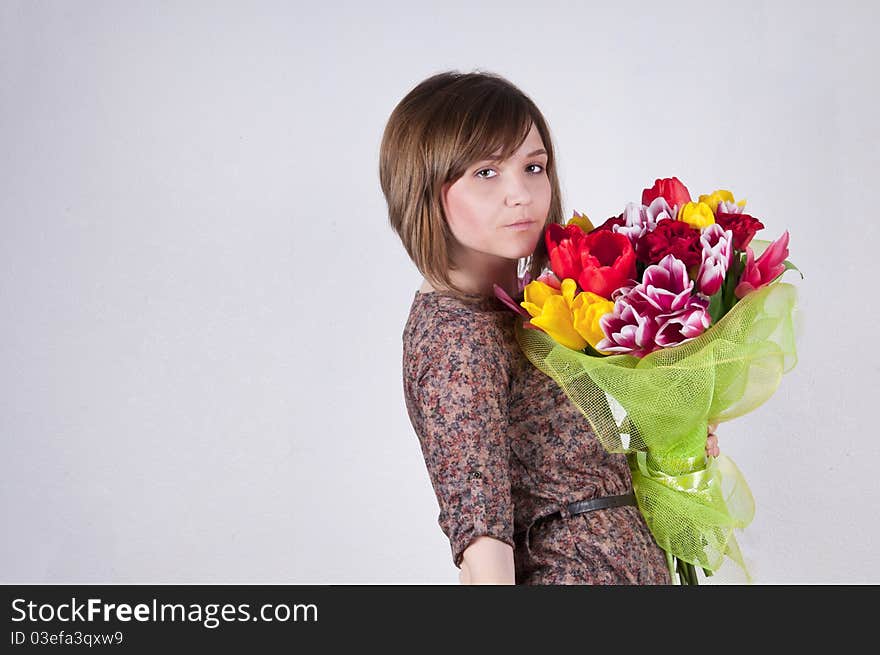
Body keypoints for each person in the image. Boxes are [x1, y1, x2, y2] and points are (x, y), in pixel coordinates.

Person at [379, 70, 720, 585]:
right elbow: (481, 537)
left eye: (533, 167)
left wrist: (664, 437)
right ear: (423, 187)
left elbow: (558, 464)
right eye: (486, 173)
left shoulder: (525, 311)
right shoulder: (456, 335)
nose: (521, 194)